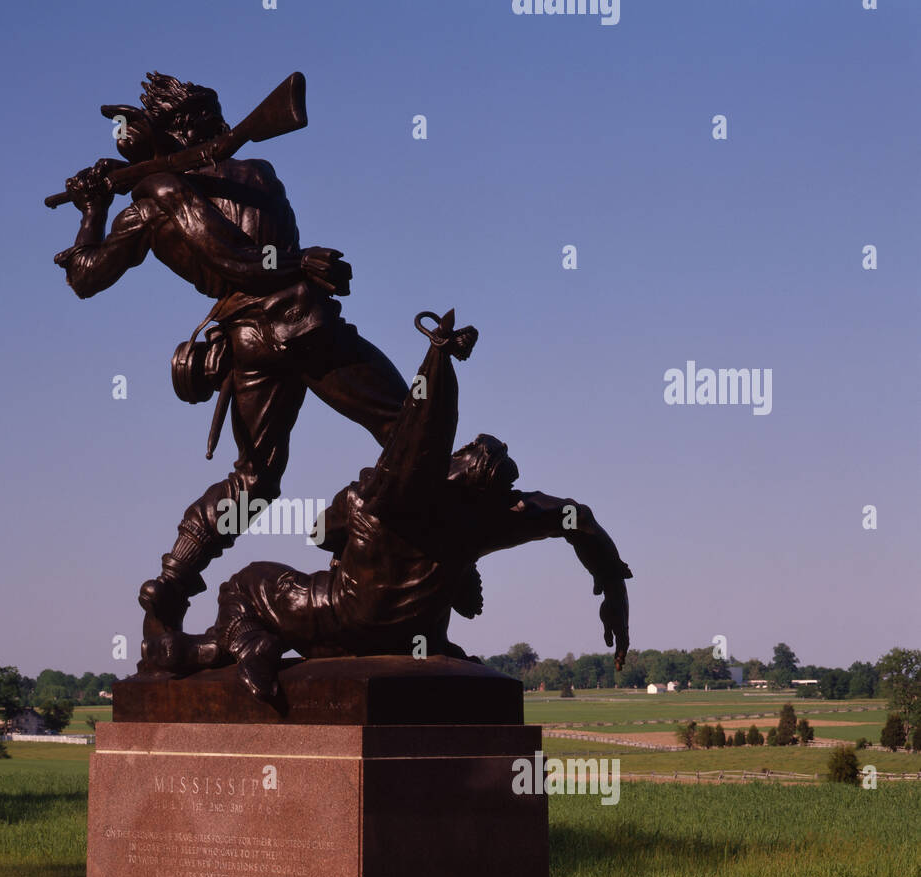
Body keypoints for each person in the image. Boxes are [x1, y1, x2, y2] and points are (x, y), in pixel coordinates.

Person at [54, 73, 412, 638]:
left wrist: (91, 212)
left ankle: (174, 579)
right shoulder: (255, 177)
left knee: (254, 481)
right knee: (407, 427)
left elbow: (84, 276)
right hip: (300, 321)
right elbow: (256, 252)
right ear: (205, 126)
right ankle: (377, 536)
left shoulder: (152, 202)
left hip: (246, 340)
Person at [143, 309, 632, 702]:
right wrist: (613, 590)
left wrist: (437, 358)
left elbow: (420, 429)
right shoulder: (486, 520)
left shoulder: (386, 494)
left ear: (455, 468)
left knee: (245, 587)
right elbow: (576, 518)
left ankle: (237, 641)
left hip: (333, 618)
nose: (452, 451)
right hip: (402, 636)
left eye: (458, 454)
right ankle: (207, 645)